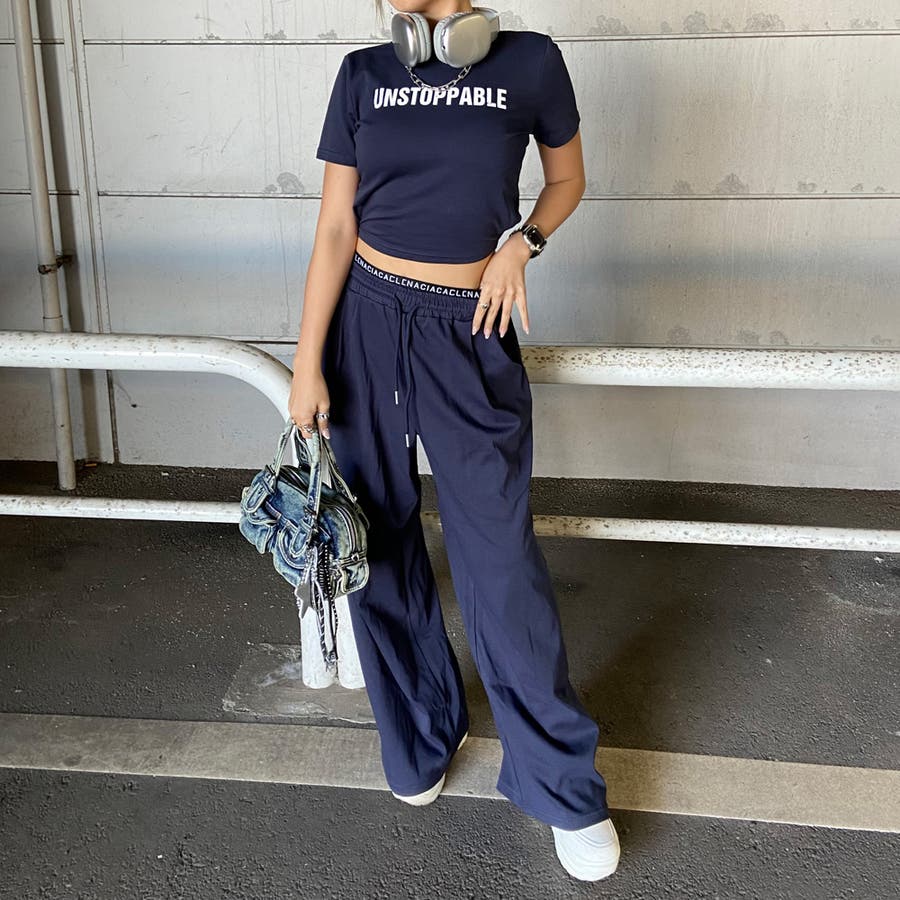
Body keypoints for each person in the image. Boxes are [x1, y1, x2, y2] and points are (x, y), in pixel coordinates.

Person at [288, 1, 620, 882]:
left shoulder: (530, 63)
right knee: (378, 543)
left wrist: (524, 243)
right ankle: (421, 734)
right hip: (365, 321)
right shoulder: (363, 74)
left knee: (499, 561)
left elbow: (567, 179)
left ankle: (560, 786)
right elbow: (335, 227)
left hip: (468, 325)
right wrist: (307, 362)